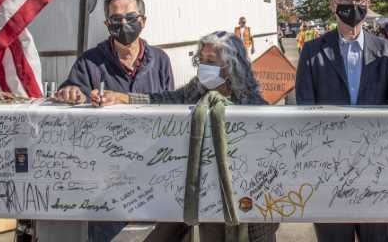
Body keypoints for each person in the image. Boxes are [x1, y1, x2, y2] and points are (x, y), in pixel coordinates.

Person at [94, 31, 279, 242]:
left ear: (231, 66)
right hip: (206, 198)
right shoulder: (198, 89)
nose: (203, 66)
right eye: (201, 60)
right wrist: (123, 98)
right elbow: (167, 99)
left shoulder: (254, 106)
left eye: (210, 61)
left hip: (249, 206)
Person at [52, 0, 174, 241]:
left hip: (154, 169)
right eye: (116, 19)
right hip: (104, 179)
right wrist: (70, 93)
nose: (124, 24)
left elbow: (171, 108)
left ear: (143, 21)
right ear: (107, 24)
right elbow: (69, 91)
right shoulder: (89, 61)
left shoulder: (161, 60)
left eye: (130, 17)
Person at [296, 0, 388, 242]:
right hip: (329, 171)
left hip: (378, 169)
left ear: (368, 4)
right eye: (345, 1)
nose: (352, 6)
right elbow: (305, 110)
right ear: (333, 5)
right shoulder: (311, 52)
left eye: (358, 0)